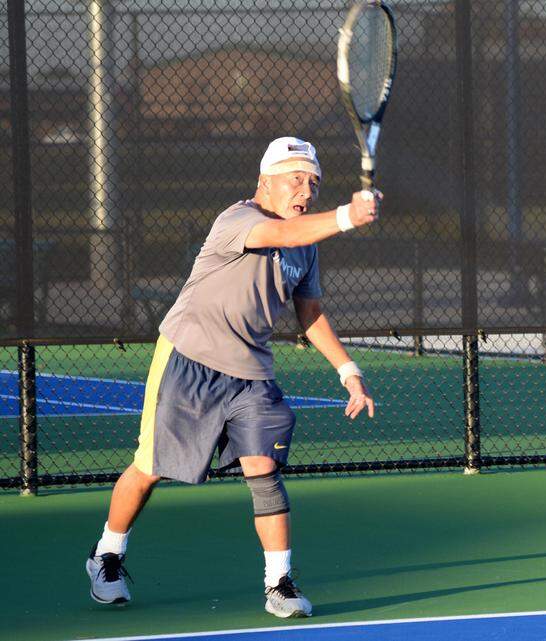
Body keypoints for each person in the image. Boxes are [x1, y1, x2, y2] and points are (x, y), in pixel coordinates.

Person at [85, 136, 378, 618]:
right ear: (265, 181)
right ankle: (107, 556)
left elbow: (310, 313)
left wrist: (349, 371)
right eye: (295, 179)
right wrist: (347, 216)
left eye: (313, 183)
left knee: (264, 473)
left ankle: (278, 584)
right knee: (150, 469)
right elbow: (282, 236)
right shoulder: (240, 219)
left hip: (252, 374)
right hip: (189, 361)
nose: (305, 190)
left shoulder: (305, 245)